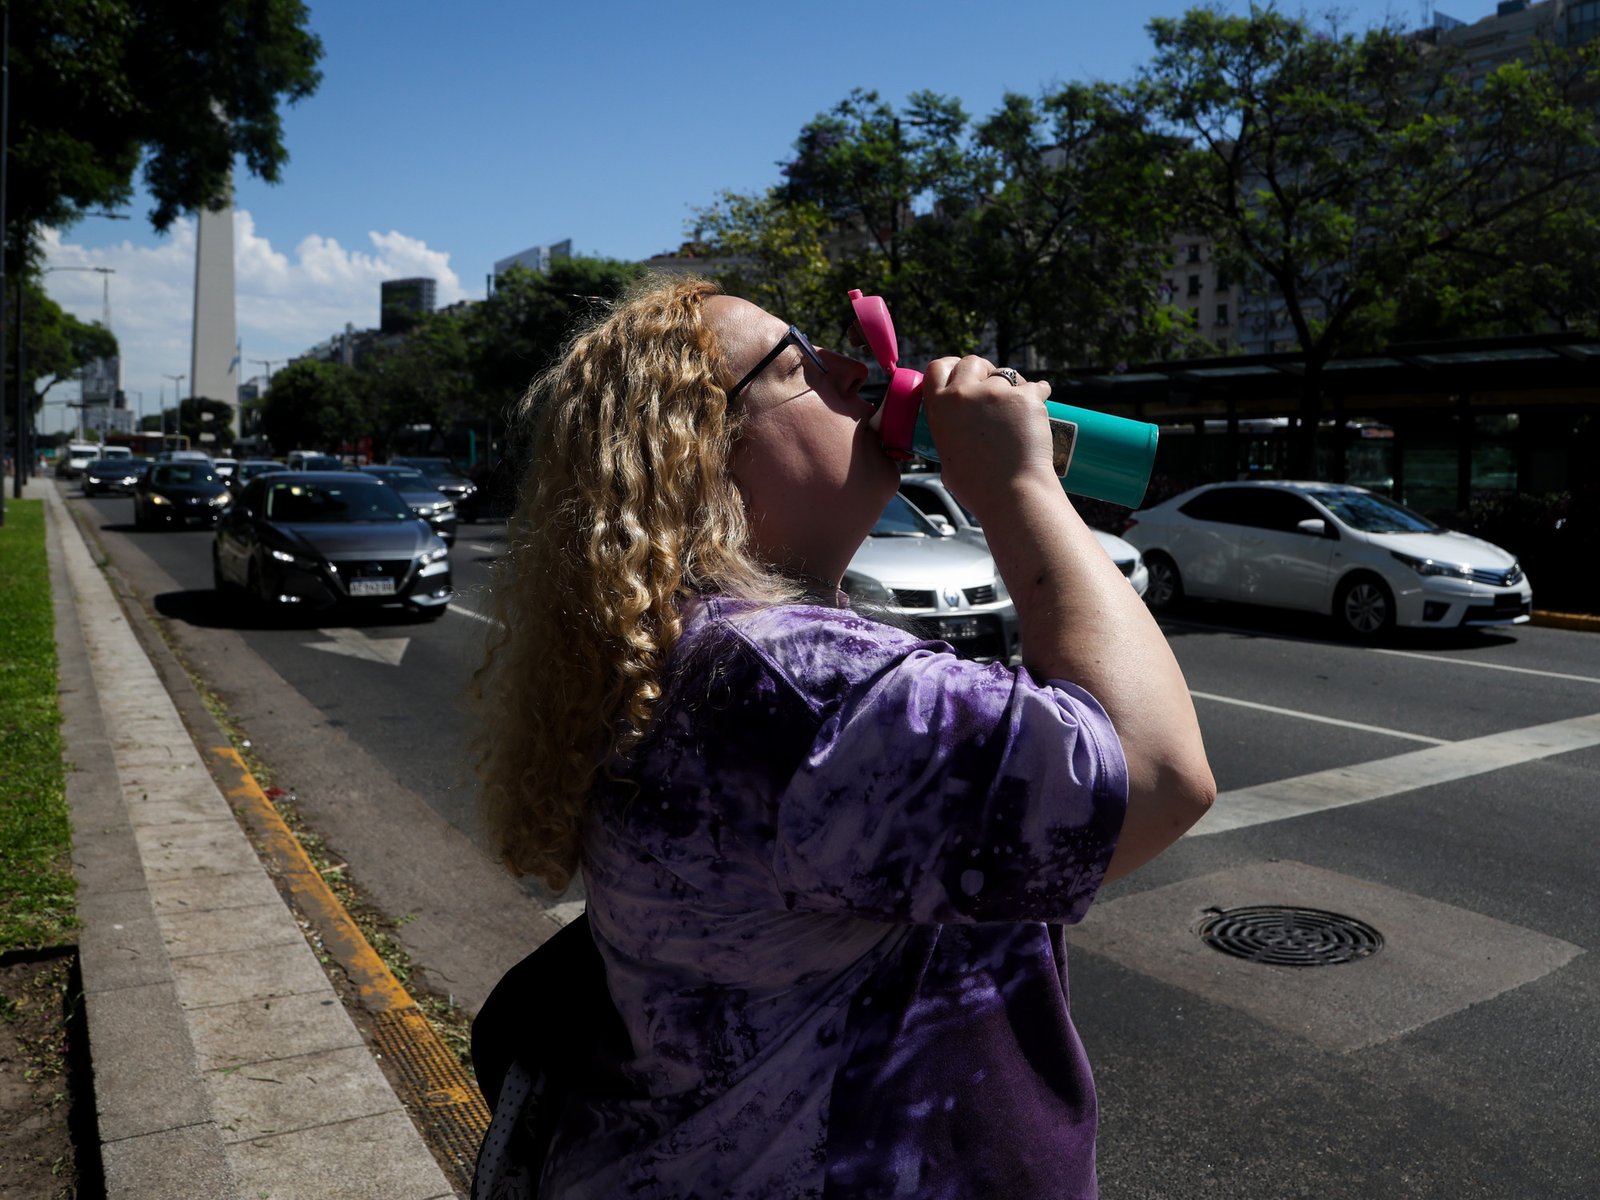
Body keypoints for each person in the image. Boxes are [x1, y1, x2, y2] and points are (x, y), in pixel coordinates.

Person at [472, 275, 1215, 1199]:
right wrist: (1024, 489)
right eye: (797, 362)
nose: (852, 368)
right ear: (697, 452)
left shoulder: (704, 656)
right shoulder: (788, 680)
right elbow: (1153, 775)